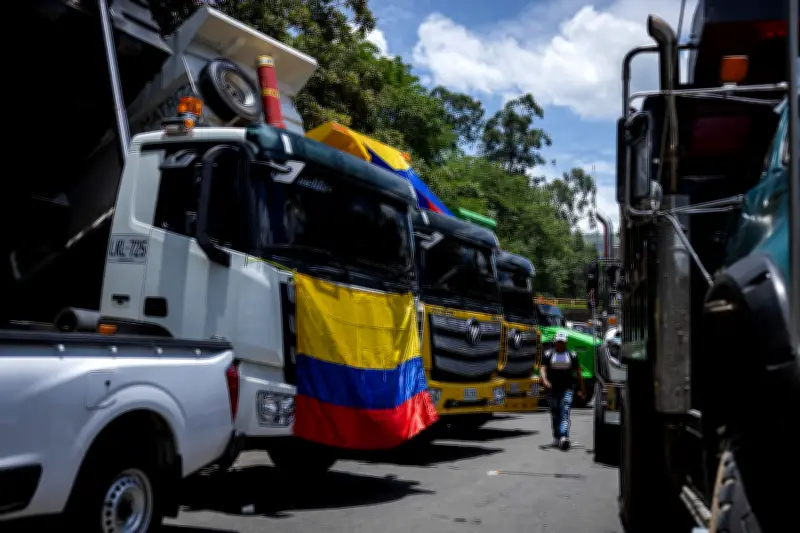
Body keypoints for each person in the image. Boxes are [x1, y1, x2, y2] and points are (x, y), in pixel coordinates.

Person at [540, 331, 584, 450]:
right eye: (558, 342)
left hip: (567, 389)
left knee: (564, 411)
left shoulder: (572, 355)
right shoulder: (549, 354)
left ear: (566, 342)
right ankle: (557, 436)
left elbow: (578, 373)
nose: (560, 344)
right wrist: (544, 380)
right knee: (555, 412)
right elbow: (543, 368)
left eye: (562, 342)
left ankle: (564, 437)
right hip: (552, 389)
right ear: (555, 342)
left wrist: (581, 389)